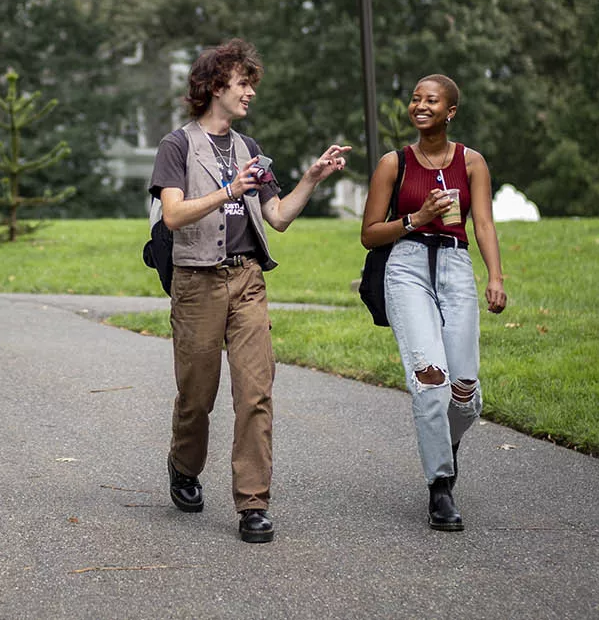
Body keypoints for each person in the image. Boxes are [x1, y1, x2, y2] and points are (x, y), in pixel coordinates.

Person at [148, 38, 351, 543]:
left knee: (255, 393)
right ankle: (184, 464)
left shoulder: (250, 150)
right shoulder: (178, 146)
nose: (250, 94)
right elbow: (172, 214)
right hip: (196, 280)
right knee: (198, 396)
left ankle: (253, 505)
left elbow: (276, 217)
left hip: (247, 281)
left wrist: (312, 178)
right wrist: (228, 192)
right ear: (215, 86)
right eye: (243, 83)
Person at [360, 74, 507, 531]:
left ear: (451, 111)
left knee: (463, 393)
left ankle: (445, 442)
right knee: (430, 380)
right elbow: (369, 234)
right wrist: (416, 218)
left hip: (456, 266)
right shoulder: (393, 163)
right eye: (415, 99)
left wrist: (495, 276)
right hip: (405, 267)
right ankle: (440, 489)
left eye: (432, 100)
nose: (420, 106)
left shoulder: (473, 162)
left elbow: (482, 222)